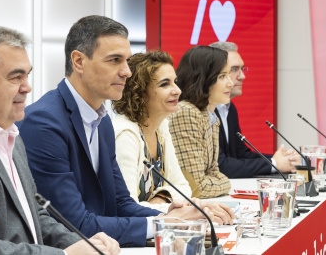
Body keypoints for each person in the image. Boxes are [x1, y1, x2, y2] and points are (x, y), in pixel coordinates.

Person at [18, 15, 229, 248]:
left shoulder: (102, 120)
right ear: (78, 61)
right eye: (115, 60)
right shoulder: (45, 122)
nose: (127, 71)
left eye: (127, 60)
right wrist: (163, 224)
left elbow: (120, 202)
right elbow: (73, 224)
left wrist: (169, 217)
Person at [0, 25, 119, 255]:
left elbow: (34, 215)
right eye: (15, 77)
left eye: (27, 75)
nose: (27, 87)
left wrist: (81, 243)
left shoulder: (11, 135)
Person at [112, 51, 235, 223]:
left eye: (175, 82)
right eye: (164, 84)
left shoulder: (161, 126)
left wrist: (162, 197)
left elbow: (184, 188)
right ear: (139, 93)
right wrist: (177, 208)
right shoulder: (125, 135)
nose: (177, 90)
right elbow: (128, 208)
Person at [209, 41, 299, 178]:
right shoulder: (203, 110)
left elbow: (241, 154)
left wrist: (285, 161)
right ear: (215, 73)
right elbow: (220, 166)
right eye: (234, 69)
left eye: (242, 69)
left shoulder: (229, 108)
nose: (242, 76)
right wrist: (274, 163)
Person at [169, 45, 232, 199]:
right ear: (203, 78)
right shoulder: (186, 112)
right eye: (222, 76)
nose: (230, 83)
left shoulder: (209, 115)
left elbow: (212, 172)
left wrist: (216, 180)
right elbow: (197, 187)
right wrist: (226, 183)